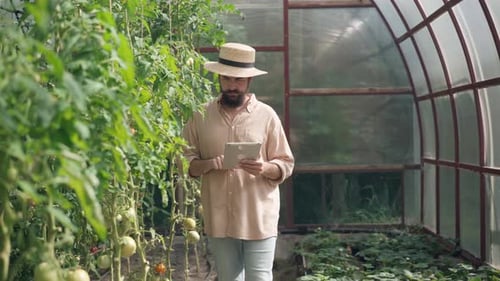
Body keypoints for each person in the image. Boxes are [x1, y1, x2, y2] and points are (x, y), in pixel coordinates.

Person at [182, 42, 295, 281]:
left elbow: (286, 163)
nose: (232, 86)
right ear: (219, 78)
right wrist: (213, 163)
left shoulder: (266, 115)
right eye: (227, 79)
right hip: (219, 216)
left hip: (258, 214)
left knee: (259, 277)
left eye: (239, 80)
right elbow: (185, 162)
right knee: (228, 278)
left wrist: (265, 168)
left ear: (249, 81)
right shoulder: (200, 115)